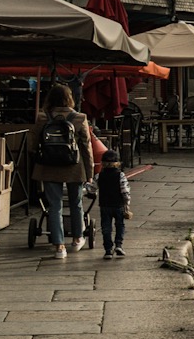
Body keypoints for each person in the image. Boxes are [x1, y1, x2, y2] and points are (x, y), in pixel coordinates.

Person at [29, 86, 93, 258]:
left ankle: (59, 247)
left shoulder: (43, 117)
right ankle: (77, 238)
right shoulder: (80, 118)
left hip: (49, 166)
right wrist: (90, 171)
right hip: (74, 167)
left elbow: (33, 144)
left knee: (54, 205)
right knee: (76, 203)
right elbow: (87, 147)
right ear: (70, 98)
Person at [95, 150, 131, 259]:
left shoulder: (99, 176)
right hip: (118, 205)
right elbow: (125, 191)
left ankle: (108, 250)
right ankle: (119, 245)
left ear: (102, 163)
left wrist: (89, 192)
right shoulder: (120, 175)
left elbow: (91, 188)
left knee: (106, 228)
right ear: (118, 163)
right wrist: (127, 202)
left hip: (104, 205)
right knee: (120, 225)